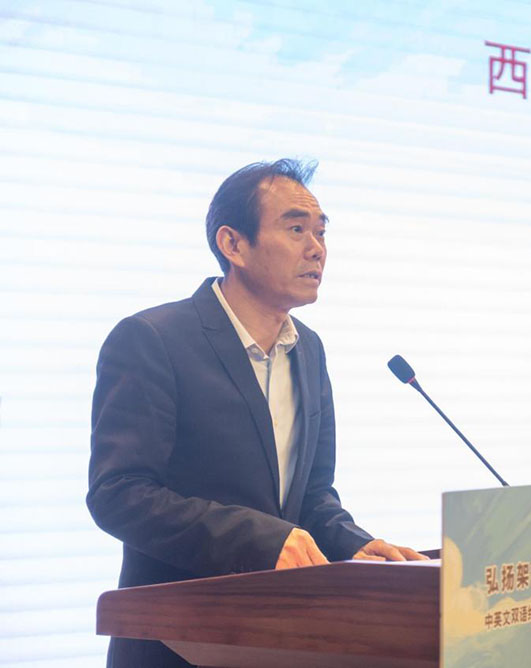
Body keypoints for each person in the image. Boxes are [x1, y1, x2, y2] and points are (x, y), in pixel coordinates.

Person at [87, 159, 424, 667]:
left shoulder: (308, 350)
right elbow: (119, 494)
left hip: (280, 642)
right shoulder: (153, 339)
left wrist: (355, 546)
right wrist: (262, 540)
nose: (317, 248)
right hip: (177, 644)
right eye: (296, 229)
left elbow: (310, 495)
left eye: (321, 231)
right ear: (233, 244)